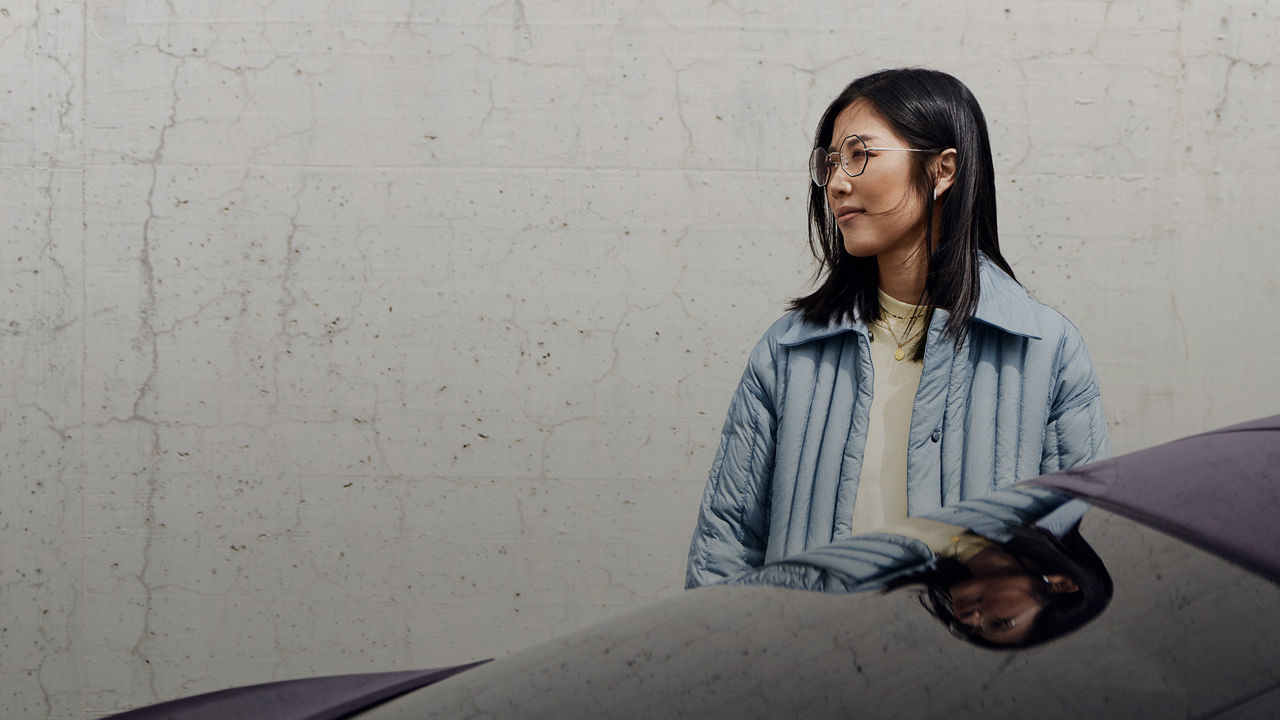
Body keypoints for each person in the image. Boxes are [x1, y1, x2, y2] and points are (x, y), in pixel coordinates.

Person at [685, 68, 1110, 588]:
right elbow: (724, 547)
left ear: (943, 170)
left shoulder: (1046, 351)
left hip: (972, 665)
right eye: (831, 162)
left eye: (860, 154)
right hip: (808, 661)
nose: (838, 182)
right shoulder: (787, 352)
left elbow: (1074, 555)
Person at [721, 486, 1113, 648]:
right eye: (999, 623)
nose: (970, 621)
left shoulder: (882, 581)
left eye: (975, 631)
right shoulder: (1057, 496)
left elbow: (739, 530)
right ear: (1060, 584)